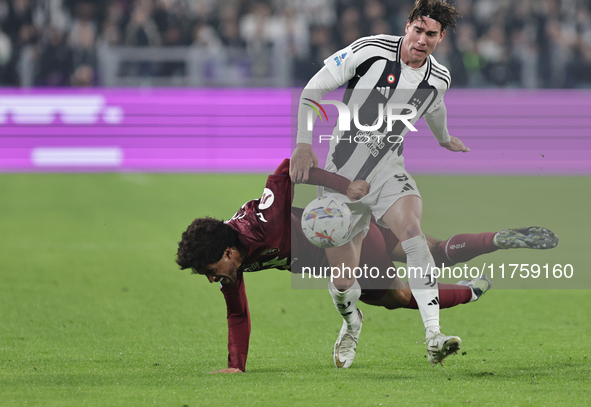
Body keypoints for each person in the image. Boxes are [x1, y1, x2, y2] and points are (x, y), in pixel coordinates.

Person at [176, 159, 558, 372]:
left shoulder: (265, 223)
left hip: (346, 244)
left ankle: (466, 292)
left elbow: (288, 168)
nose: (213, 279)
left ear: (227, 254)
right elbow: (237, 313)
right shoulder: (229, 254)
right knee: (435, 251)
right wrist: (235, 366)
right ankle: (496, 241)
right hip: (353, 224)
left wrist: (342, 185)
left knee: (394, 295)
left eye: (211, 271)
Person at [291, 0, 469, 365]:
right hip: (341, 178)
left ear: (440, 39)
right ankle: (352, 322)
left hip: (388, 171)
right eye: (418, 30)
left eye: (431, 35)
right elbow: (313, 89)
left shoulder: (439, 77)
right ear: (407, 26)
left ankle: (433, 335)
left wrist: (443, 139)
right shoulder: (370, 50)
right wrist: (304, 143)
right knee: (344, 281)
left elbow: (435, 108)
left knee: (412, 232)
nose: (422, 40)